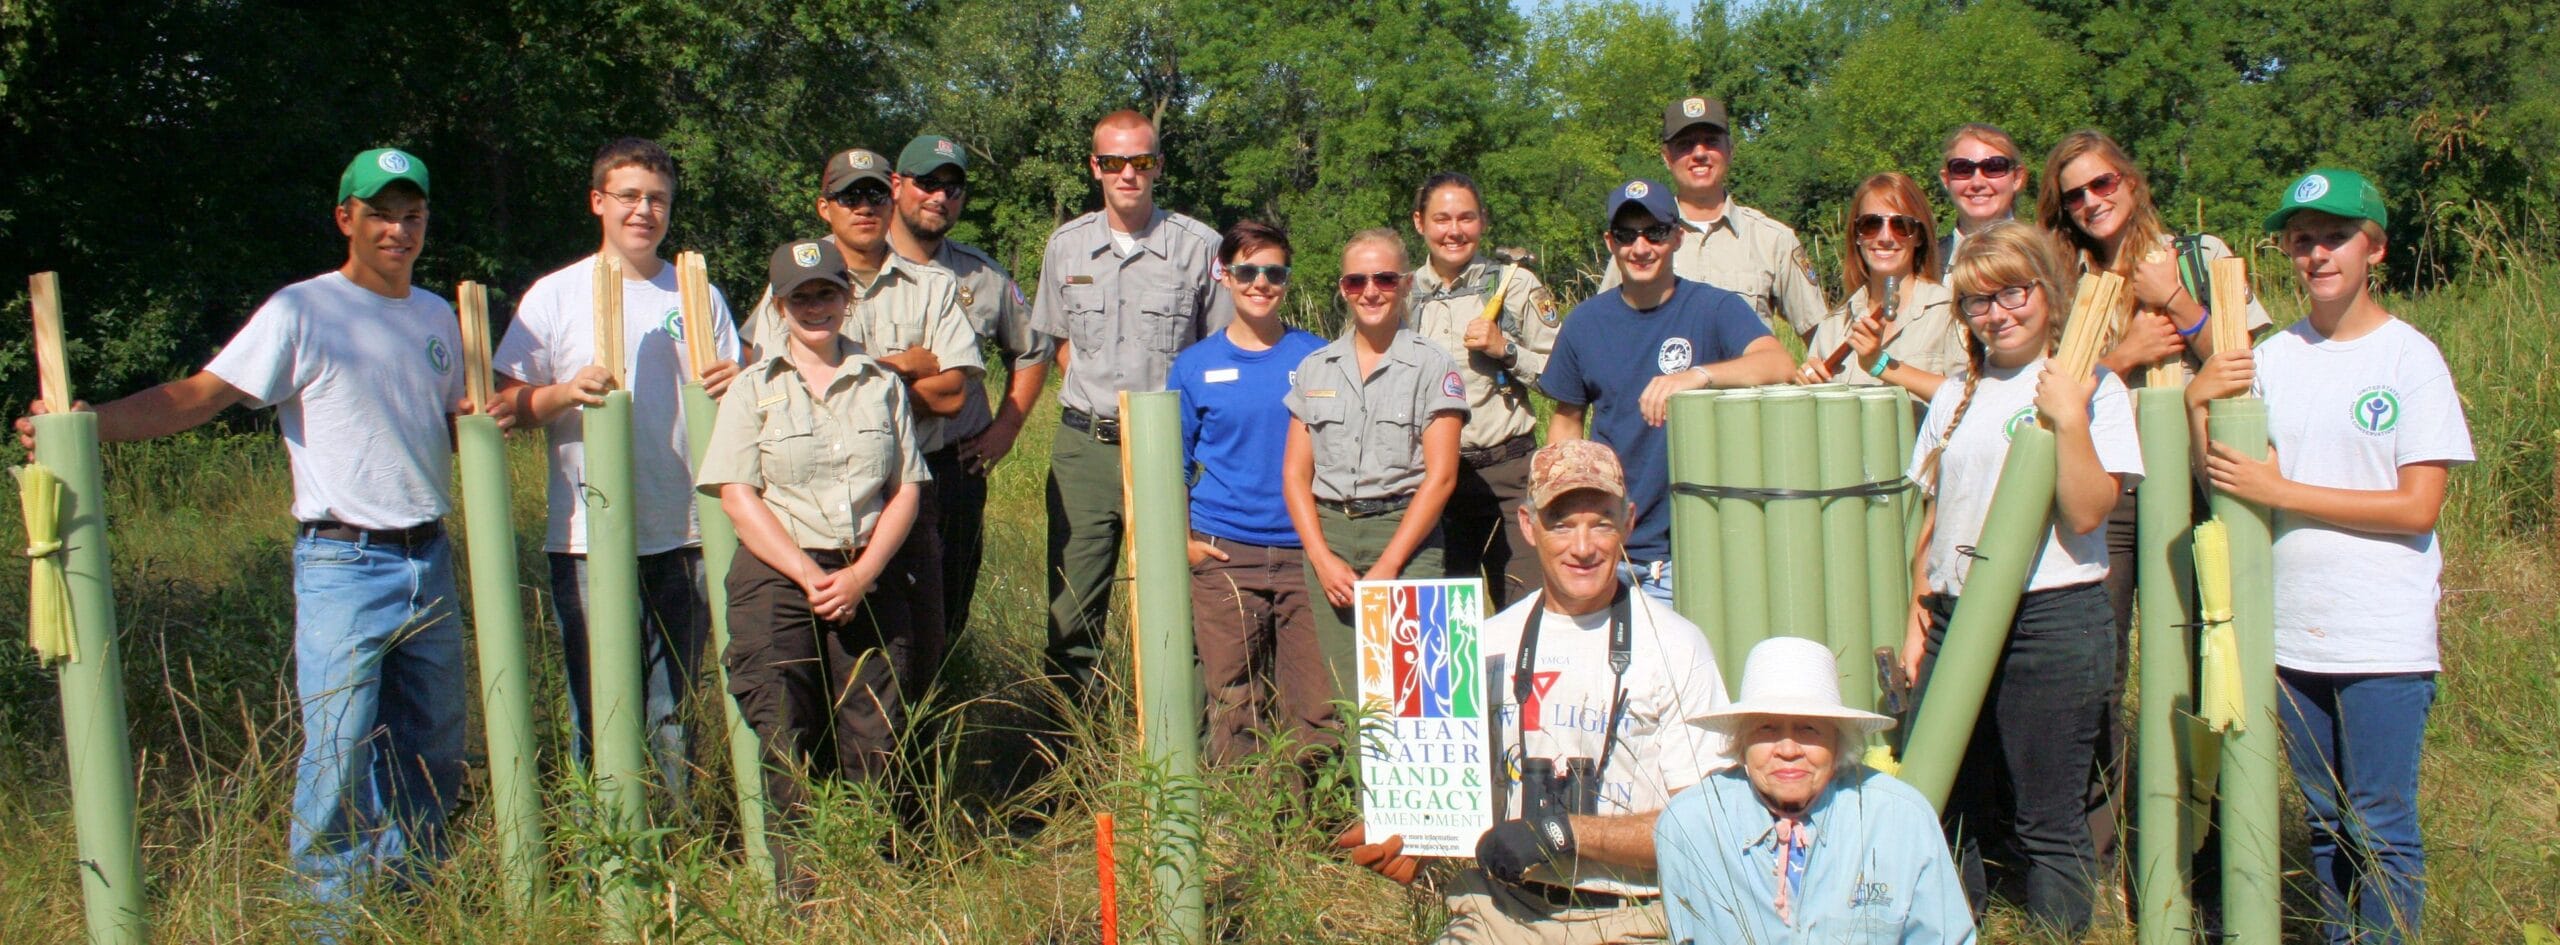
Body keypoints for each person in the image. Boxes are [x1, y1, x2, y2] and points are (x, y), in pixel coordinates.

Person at [16, 149, 510, 923]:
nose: (399, 229)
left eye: (413, 215)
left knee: (434, 745)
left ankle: (414, 903)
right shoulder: (303, 311)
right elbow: (201, 396)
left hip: (429, 554)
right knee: (340, 750)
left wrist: (547, 397)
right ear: (346, 218)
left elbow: (457, 421)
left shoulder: (435, 316)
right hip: (344, 561)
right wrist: (88, 424)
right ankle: (325, 921)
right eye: (382, 213)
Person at [2186, 169, 2468, 945]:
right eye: (2302, 240)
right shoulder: (2275, 357)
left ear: (2374, 247)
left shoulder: (2409, 358)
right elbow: (2233, 478)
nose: (2317, 254)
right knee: (2325, 820)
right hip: (2293, 632)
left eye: (2336, 236)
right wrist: (2195, 400)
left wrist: (2287, 492)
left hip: (2381, 633)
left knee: (2380, 823)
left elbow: (2418, 505)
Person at [1336, 439, 1732, 943]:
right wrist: (1411, 836)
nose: (1583, 547)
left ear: (1629, 522)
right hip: (1497, 908)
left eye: (1601, 522)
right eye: (1561, 523)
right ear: (1527, 526)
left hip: (1633, 914)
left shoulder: (1675, 646)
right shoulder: (1477, 643)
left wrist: (1564, 833)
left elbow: (1703, 825)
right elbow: (1448, 792)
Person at [1897, 222, 2141, 937]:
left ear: (2048, 292)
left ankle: (2058, 930)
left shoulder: (2092, 387)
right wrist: (1918, 610)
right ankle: (1954, 925)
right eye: (1977, 301)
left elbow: (2090, 507)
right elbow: (1934, 516)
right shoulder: (1954, 396)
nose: (1997, 313)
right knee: (1946, 795)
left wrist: (2068, 418)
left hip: (2053, 617)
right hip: (1954, 614)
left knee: (2047, 813)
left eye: (2013, 292)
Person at [2037, 128, 2271, 862]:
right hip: (2108, 488)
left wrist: (2175, 300)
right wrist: (2124, 355)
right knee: (2097, 673)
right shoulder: (2058, 276)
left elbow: (2250, 369)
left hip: (2197, 483)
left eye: (2103, 184)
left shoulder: (2202, 258)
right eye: (2074, 194)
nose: (2090, 202)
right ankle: (2098, 853)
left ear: (2131, 184)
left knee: (2203, 657)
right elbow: (2048, 393)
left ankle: (2203, 852)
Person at [493, 137, 742, 794]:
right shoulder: (555, 296)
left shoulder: (696, 293)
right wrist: (560, 393)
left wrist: (738, 382)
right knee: (600, 709)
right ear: (598, 201)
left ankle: (676, 842)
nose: (644, 211)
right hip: (586, 540)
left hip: (685, 534)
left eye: (657, 199)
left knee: (673, 712)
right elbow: (503, 403)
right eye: (629, 196)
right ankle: (603, 855)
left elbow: (736, 401)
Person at [696, 239, 930, 897]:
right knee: (785, 733)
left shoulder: (882, 385)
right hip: (778, 575)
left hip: (867, 569)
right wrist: (807, 574)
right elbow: (738, 494)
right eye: (801, 296)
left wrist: (862, 574)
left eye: (826, 292)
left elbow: (906, 487)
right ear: (779, 306)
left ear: (845, 298)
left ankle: (874, 884)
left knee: (876, 735)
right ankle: (805, 895)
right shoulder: (753, 389)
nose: (816, 306)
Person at [743, 147, 981, 698]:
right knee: (804, 673)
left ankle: (909, 782)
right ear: (825, 207)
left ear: (893, 194)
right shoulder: (794, 284)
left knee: (915, 656)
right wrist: (900, 367)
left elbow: (949, 395)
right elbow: (773, 388)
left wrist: (846, 381)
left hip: (905, 498)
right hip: (805, 504)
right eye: (850, 196)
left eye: (875, 193)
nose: (864, 206)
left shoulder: (933, 286)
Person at [1028, 109, 1229, 694]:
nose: (1127, 174)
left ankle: (1185, 753)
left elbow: (1218, 356)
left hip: (1170, 452)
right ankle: (1069, 762)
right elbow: (1060, 344)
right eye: (1112, 162)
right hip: (1084, 451)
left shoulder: (1198, 248)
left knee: (1178, 611)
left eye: (1140, 161)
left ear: (1157, 166)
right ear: (1095, 167)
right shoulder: (1065, 247)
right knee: (1071, 614)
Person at [1543, 179, 1793, 605]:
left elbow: (1779, 364)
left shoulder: (1713, 308)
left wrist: (1697, 376)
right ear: (1610, 242)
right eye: (1626, 235)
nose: (1640, 247)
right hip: (1609, 553)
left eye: (1654, 232)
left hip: (1696, 552)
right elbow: (1565, 424)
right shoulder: (1584, 323)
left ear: (1677, 236)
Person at [1656, 637, 1977, 944]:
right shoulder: (1691, 824)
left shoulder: (1902, 819)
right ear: (1742, 744)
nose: (1788, 748)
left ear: (1839, 742)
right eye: (1766, 728)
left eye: (1808, 728)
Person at [1283, 228, 1466, 715]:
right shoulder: (1316, 368)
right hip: (1333, 539)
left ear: (1406, 284)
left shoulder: (1432, 366)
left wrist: (1388, 568)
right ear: (1342, 288)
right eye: (1355, 281)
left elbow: (1442, 476)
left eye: (1384, 279)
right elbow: (1295, 476)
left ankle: (1413, 793)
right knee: (1350, 697)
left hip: (1405, 538)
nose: (1370, 292)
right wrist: (1320, 557)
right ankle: (1359, 793)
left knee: (1416, 698)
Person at [1172, 220, 1330, 767]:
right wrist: (1183, 541)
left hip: (1305, 554)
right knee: (1235, 698)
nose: (1260, 283)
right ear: (1225, 275)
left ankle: (1316, 831)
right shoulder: (1194, 366)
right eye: (1247, 271)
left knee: (1315, 702)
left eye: (1274, 272)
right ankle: (1250, 832)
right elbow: (1171, 462)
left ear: (1286, 279)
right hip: (1224, 554)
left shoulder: (1318, 358)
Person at [886, 134, 1054, 646]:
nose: (939, 196)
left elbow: (1032, 349)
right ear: (897, 185)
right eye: (927, 182)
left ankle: (939, 705)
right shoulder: (853, 261)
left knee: (949, 602)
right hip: (872, 462)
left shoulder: (982, 276)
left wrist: (1004, 429)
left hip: (954, 464)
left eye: (953, 187)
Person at [1406, 172, 1558, 609]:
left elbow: (1563, 377)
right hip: (1430, 482)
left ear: (1483, 222)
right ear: (1420, 223)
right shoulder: (1397, 295)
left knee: (1527, 610)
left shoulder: (1516, 286)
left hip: (1509, 475)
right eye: (1441, 219)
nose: (1454, 230)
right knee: (1441, 629)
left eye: (1466, 218)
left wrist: (1506, 349)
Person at [1599, 96, 1830, 339]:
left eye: (1711, 142)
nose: (1699, 153)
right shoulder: (1638, 244)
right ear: (1666, 157)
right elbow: (1602, 329)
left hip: (1746, 376)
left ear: (1730, 150)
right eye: (1685, 145)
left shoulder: (1772, 240)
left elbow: (1820, 337)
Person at [1797, 172, 1966, 403]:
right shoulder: (1833, 326)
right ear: (1856, 235)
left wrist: (1881, 364)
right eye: (1870, 225)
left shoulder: (1951, 312)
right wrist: (1807, 390)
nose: (1885, 237)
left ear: (1919, 236)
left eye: (1901, 225)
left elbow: (1970, 401)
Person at [1936, 124, 2029, 279]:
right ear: (1946, 180)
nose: (1977, 183)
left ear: (2017, 178)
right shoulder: (1924, 265)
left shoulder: (2046, 256)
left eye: (1994, 167)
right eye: (1962, 169)